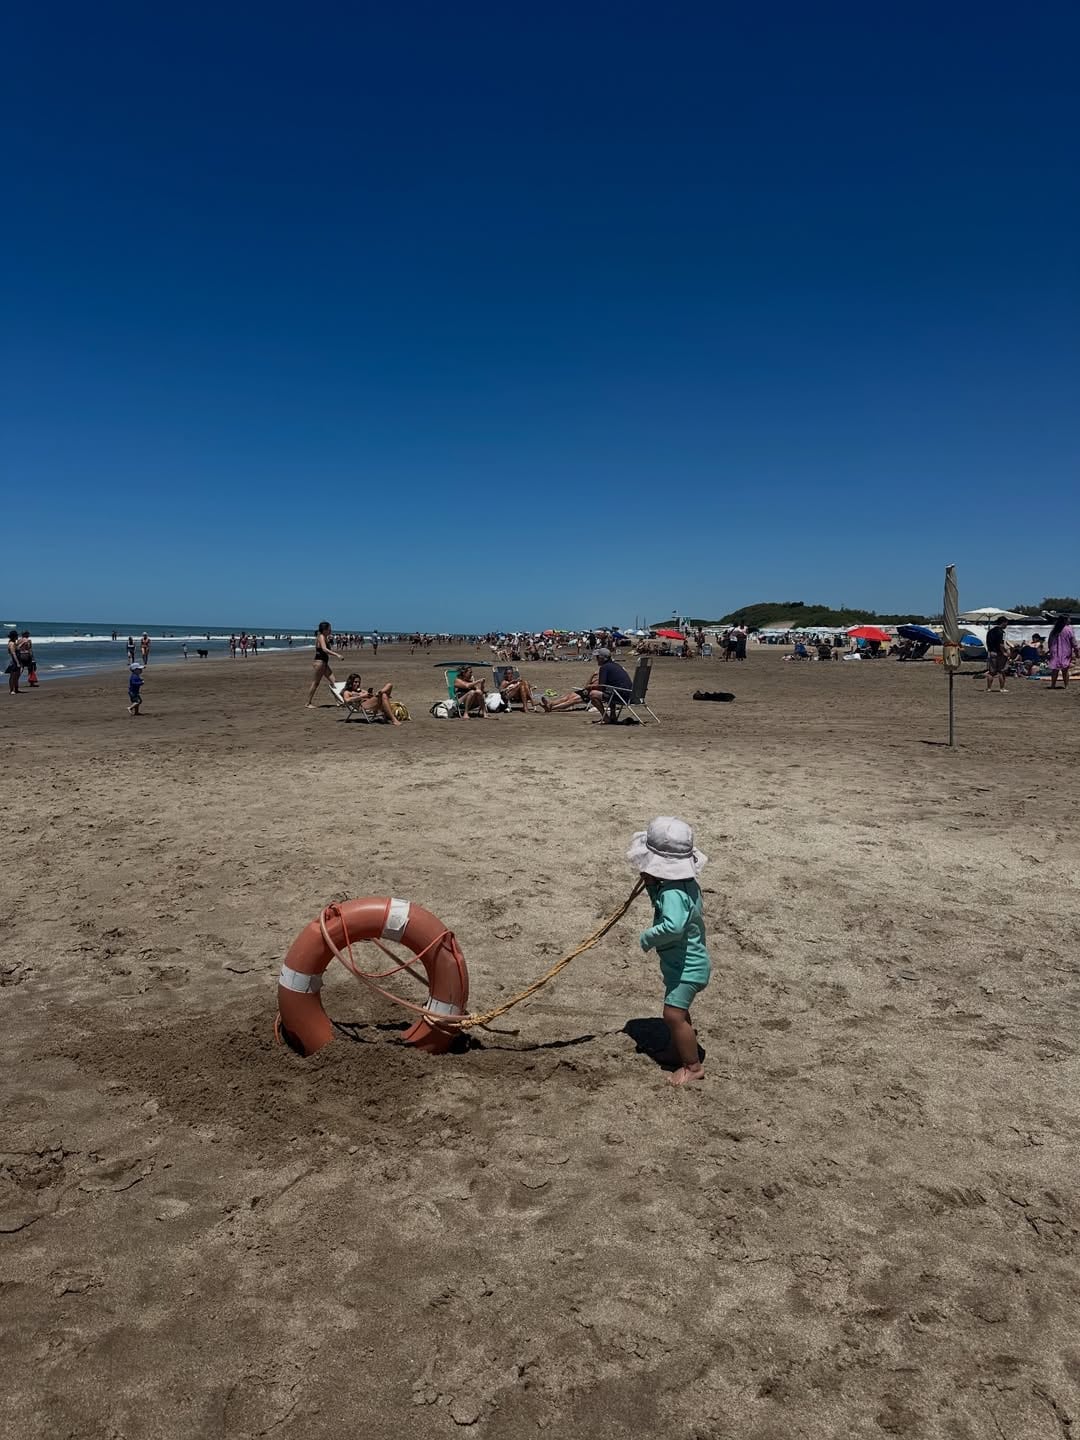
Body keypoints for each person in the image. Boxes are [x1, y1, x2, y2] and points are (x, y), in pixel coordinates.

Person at [627, 817, 710, 1087]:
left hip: (688, 969)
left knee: (672, 1015)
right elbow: (666, 908)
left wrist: (648, 937)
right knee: (679, 1011)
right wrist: (652, 886)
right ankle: (678, 1049)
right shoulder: (683, 886)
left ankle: (693, 1066)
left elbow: (672, 926)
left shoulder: (672, 892)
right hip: (682, 966)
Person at [306, 621, 341, 707]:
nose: (331, 630)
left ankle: (339, 701)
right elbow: (324, 649)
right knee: (316, 683)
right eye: (329, 629)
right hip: (319, 663)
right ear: (325, 629)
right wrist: (337, 654)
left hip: (324, 663)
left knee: (334, 681)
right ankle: (308, 703)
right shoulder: (321, 636)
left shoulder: (325, 637)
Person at [1047, 613, 1077, 690]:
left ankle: (1053, 685)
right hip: (1065, 651)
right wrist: (1076, 649)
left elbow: (1050, 641)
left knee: (1055, 669)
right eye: (1069, 619)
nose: (1070, 620)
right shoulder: (1069, 629)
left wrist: (1050, 649)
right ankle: (1066, 685)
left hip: (1055, 651)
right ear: (1065, 620)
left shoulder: (1054, 630)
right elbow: (1073, 641)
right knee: (1065, 669)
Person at [985, 616, 1010, 693]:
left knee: (991, 672)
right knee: (1002, 671)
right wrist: (1004, 653)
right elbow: (1001, 645)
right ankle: (1002, 688)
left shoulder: (990, 631)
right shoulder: (1002, 632)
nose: (1006, 625)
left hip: (991, 653)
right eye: (1006, 623)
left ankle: (989, 688)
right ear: (1003, 623)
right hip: (999, 653)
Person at [6, 630, 21, 695]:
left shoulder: (13, 642)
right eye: (17, 635)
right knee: (12, 675)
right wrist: (17, 662)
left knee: (16, 675)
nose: (18, 636)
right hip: (13, 661)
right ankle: (12, 690)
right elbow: (13, 653)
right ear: (14, 636)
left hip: (15, 660)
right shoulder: (11, 643)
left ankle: (16, 689)